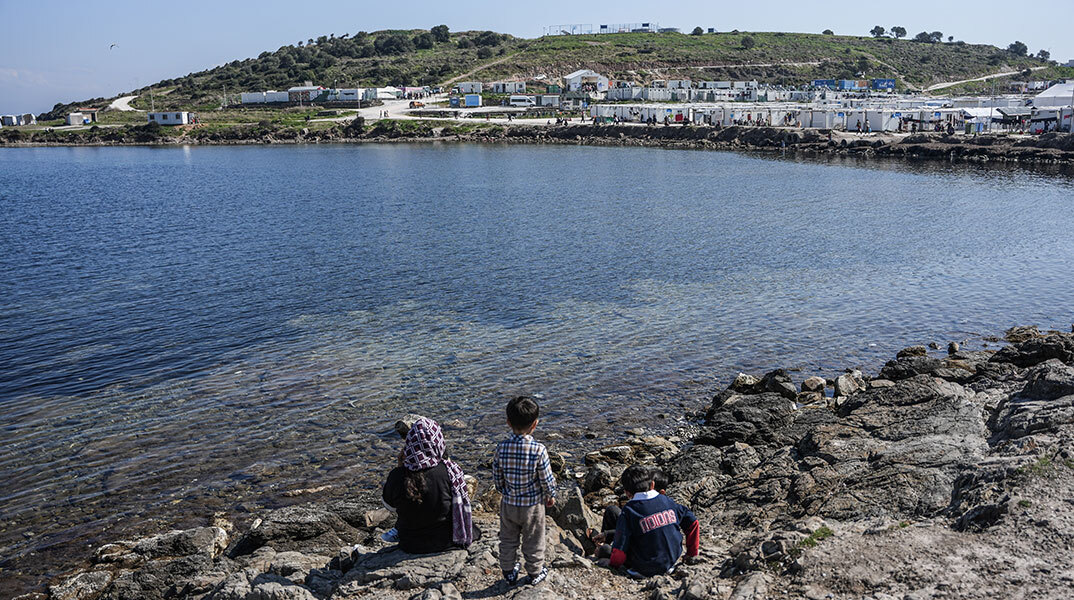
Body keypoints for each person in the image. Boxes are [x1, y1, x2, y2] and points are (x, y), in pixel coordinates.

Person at [382, 417, 474, 554]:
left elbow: (389, 506)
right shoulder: (450, 470)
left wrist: (400, 468)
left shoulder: (397, 475)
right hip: (447, 540)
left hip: (411, 544)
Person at [493, 396, 556, 586]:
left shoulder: (501, 448)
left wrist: (504, 490)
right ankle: (534, 572)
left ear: (508, 422)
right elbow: (546, 478)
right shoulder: (539, 450)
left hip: (509, 503)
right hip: (532, 506)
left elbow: (497, 476)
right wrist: (550, 494)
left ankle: (508, 570)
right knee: (534, 540)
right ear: (535, 424)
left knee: (507, 538)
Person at [608, 465, 700, 578]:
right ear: (652, 484)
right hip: (672, 562)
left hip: (643, 568)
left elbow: (619, 553)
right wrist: (691, 553)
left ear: (627, 493)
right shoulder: (667, 501)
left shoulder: (629, 510)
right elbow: (693, 522)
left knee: (606, 544)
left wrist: (611, 566)